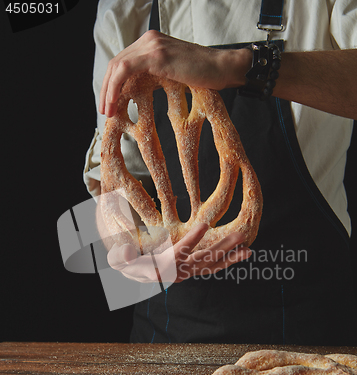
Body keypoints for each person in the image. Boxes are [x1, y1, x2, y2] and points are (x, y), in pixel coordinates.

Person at [84, 0, 357, 345]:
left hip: (310, 338)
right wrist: (125, 254)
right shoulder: (126, 7)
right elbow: (114, 178)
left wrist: (233, 65)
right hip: (167, 341)